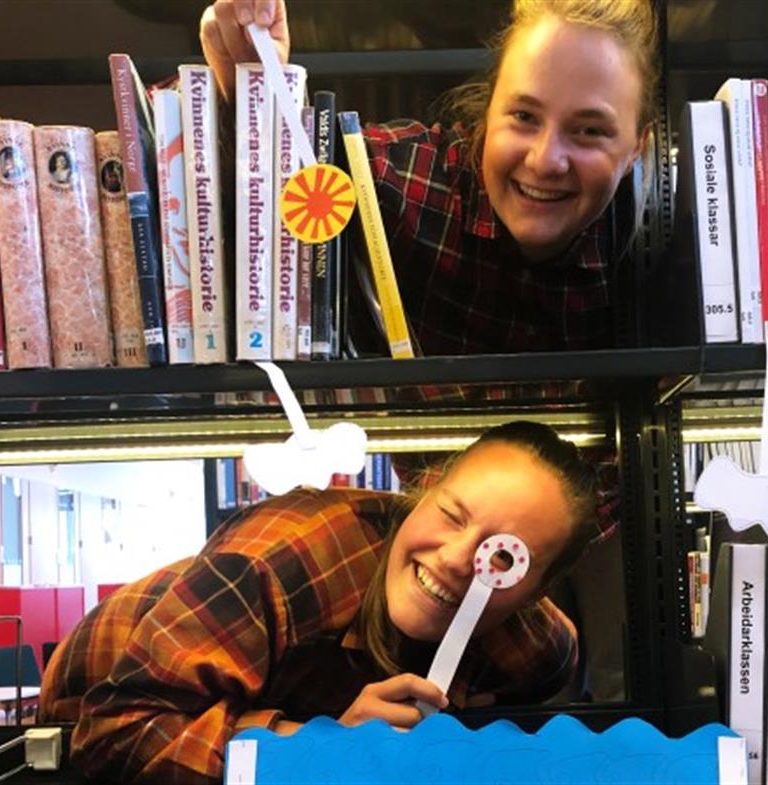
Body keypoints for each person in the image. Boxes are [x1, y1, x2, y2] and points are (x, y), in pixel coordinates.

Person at [39, 421, 599, 784]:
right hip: (100, 699)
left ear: (535, 592)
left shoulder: (536, 650)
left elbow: (545, 676)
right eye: (451, 515)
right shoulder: (279, 559)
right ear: (422, 493)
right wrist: (319, 746)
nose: (457, 559)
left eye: (502, 557)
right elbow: (111, 737)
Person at [200, 0, 658, 355]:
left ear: (638, 147)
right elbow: (273, 185)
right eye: (523, 116)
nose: (544, 161)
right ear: (489, 108)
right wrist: (250, 101)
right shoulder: (396, 181)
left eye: (589, 131)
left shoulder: (663, 243)